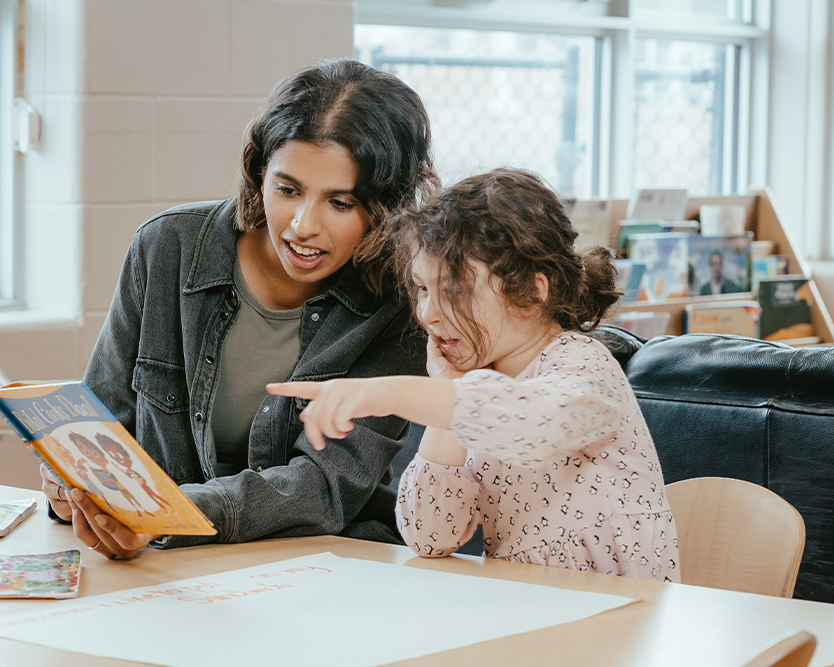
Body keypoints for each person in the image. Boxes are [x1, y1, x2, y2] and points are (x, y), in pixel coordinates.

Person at [41, 58, 437, 559]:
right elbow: (102, 424)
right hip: (164, 557)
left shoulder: (401, 304)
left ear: (386, 207)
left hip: (322, 567)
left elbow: (325, 487)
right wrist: (73, 489)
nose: (302, 225)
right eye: (287, 189)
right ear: (259, 173)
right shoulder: (168, 248)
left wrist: (169, 514)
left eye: (340, 203)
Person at [269, 168, 681, 581]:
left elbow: (528, 422)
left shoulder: (584, 366)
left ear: (533, 292)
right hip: (535, 613)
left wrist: (394, 393)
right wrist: (448, 393)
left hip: (621, 618)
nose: (427, 313)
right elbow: (430, 535)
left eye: (453, 290)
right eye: (423, 289)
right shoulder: (473, 393)